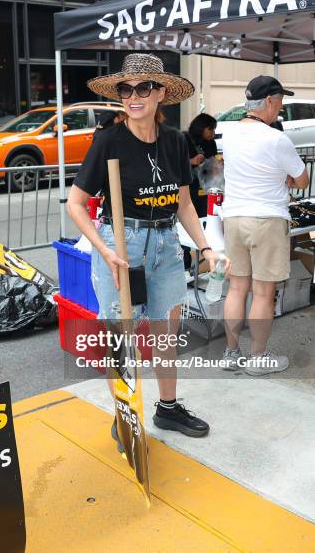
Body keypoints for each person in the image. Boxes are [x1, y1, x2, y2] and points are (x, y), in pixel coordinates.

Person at [67, 53, 227, 444]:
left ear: (161, 93)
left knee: (164, 336)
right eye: (126, 88)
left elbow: (185, 204)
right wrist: (103, 250)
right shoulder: (109, 139)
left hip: (167, 246)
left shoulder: (175, 141)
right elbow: (75, 203)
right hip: (121, 245)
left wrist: (205, 248)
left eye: (142, 88)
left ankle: (168, 409)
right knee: (121, 339)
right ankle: (124, 415)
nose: (132, 96)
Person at [221, 75, 308, 375]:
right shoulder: (276, 138)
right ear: (269, 101)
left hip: (233, 217)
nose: (280, 110)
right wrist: (284, 178)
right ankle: (258, 358)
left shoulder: (229, 135)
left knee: (236, 288)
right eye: (280, 102)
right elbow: (302, 180)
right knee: (262, 293)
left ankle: (231, 354)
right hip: (267, 219)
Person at [182, 113, 219, 269]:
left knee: (206, 222)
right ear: (201, 128)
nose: (212, 133)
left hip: (205, 189)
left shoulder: (211, 143)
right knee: (185, 224)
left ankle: (205, 257)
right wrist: (191, 161)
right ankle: (185, 259)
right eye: (210, 129)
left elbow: (214, 163)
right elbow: (172, 162)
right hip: (187, 189)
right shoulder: (184, 139)